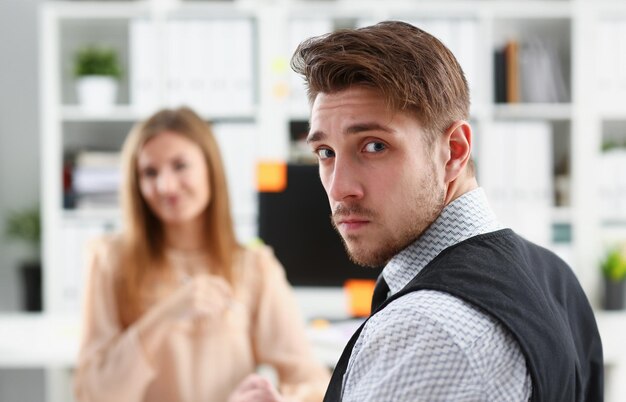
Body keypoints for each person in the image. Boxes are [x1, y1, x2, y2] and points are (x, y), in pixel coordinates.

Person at [291, 21, 603, 402]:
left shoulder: (426, 331)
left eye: (374, 146)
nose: (339, 188)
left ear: (454, 151)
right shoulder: (553, 274)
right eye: (326, 153)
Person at [74, 106, 330, 402]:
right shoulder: (110, 260)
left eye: (180, 166)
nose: (165, 185)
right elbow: (93, 394)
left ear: (210, 167)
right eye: (149, 172)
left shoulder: (254, 267)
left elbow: (312, 383)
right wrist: (165, 314)